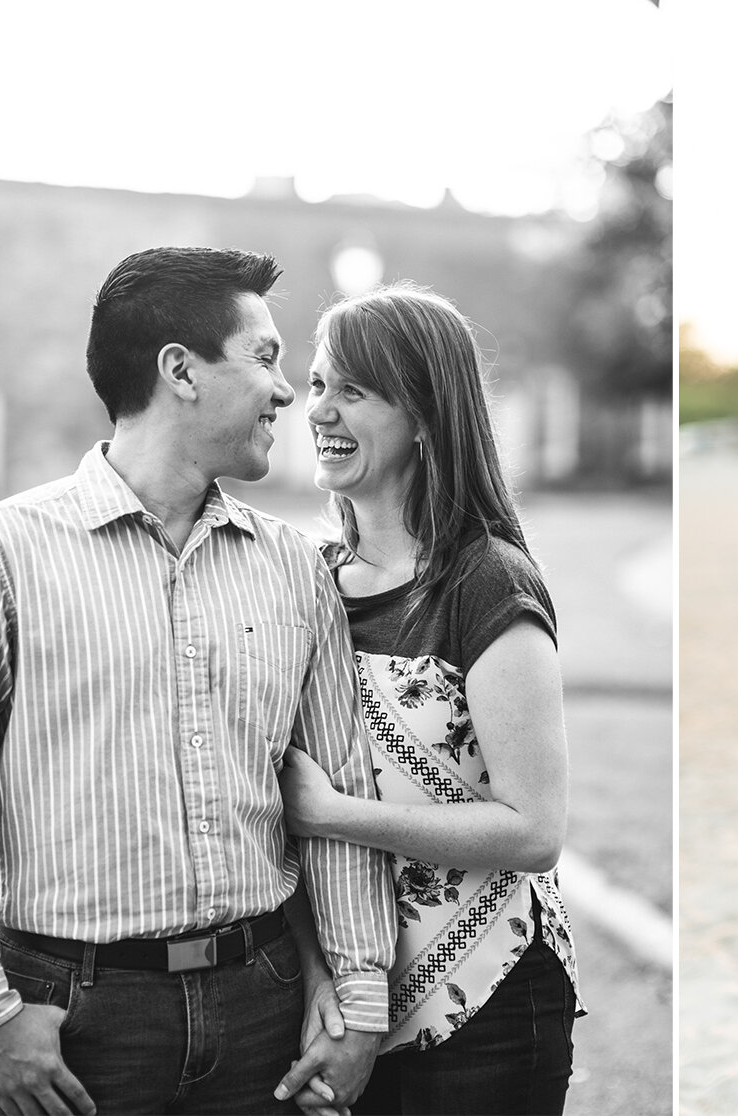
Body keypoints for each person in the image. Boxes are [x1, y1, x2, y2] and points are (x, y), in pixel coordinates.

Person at [0, 247, 395, 1116]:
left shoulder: (296, 569)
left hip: (267, 1009)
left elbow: (342, 790)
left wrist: (360, 1000)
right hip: (73, 1016)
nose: (289, 392)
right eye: (264, 358)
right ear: (179, 370)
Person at [270, 283, 584, 1116]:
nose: (322, 412)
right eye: (317, 386)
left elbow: (535, 829)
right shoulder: (308, 586)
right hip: (346, 998)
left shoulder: (487, 582)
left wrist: (334, 813)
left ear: (423, 414)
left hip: (491, 1007)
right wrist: (326, 991)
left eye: (355, 391)